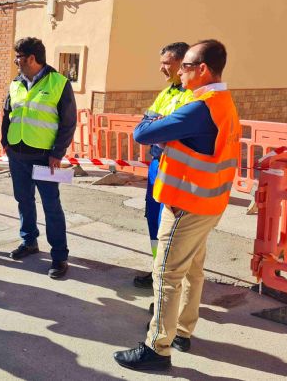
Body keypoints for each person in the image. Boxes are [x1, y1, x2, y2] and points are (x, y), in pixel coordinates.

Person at [114, 39, 241, 371]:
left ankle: (158, 347)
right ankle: (183, 331)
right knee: (192, 271)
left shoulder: (200, 108)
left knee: (167, 274)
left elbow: (143, 133)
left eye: (185, 66)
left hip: (186, 202)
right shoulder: (222, 101)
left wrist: (151, 119)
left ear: (201, 70)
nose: (179, 73)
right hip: (207, 202)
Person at [1, 37, 77, 278]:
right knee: (23, 200)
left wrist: (57, 153)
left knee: (51, 207)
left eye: (18, 58)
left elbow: (68, 122)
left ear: (31, 59)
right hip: (18, 155)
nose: (16, 62)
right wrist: (6, 142)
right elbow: (7, 114)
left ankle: (59, 256)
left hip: (45, 159)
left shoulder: (59, 83)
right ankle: (29, 241)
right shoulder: (16, 83)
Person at [134, 42, 193, 289]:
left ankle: (171, 279)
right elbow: (144, 125)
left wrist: (160, 126)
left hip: (178, 168)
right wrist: (160, 125)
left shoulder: (193, 95)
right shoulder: (167, 92)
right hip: (157, 164)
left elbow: (178, 132)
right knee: (154, 219)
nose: (162, 69)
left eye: (166, 63)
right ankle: (157, 269)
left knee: (172, 225)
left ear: (182, 64)